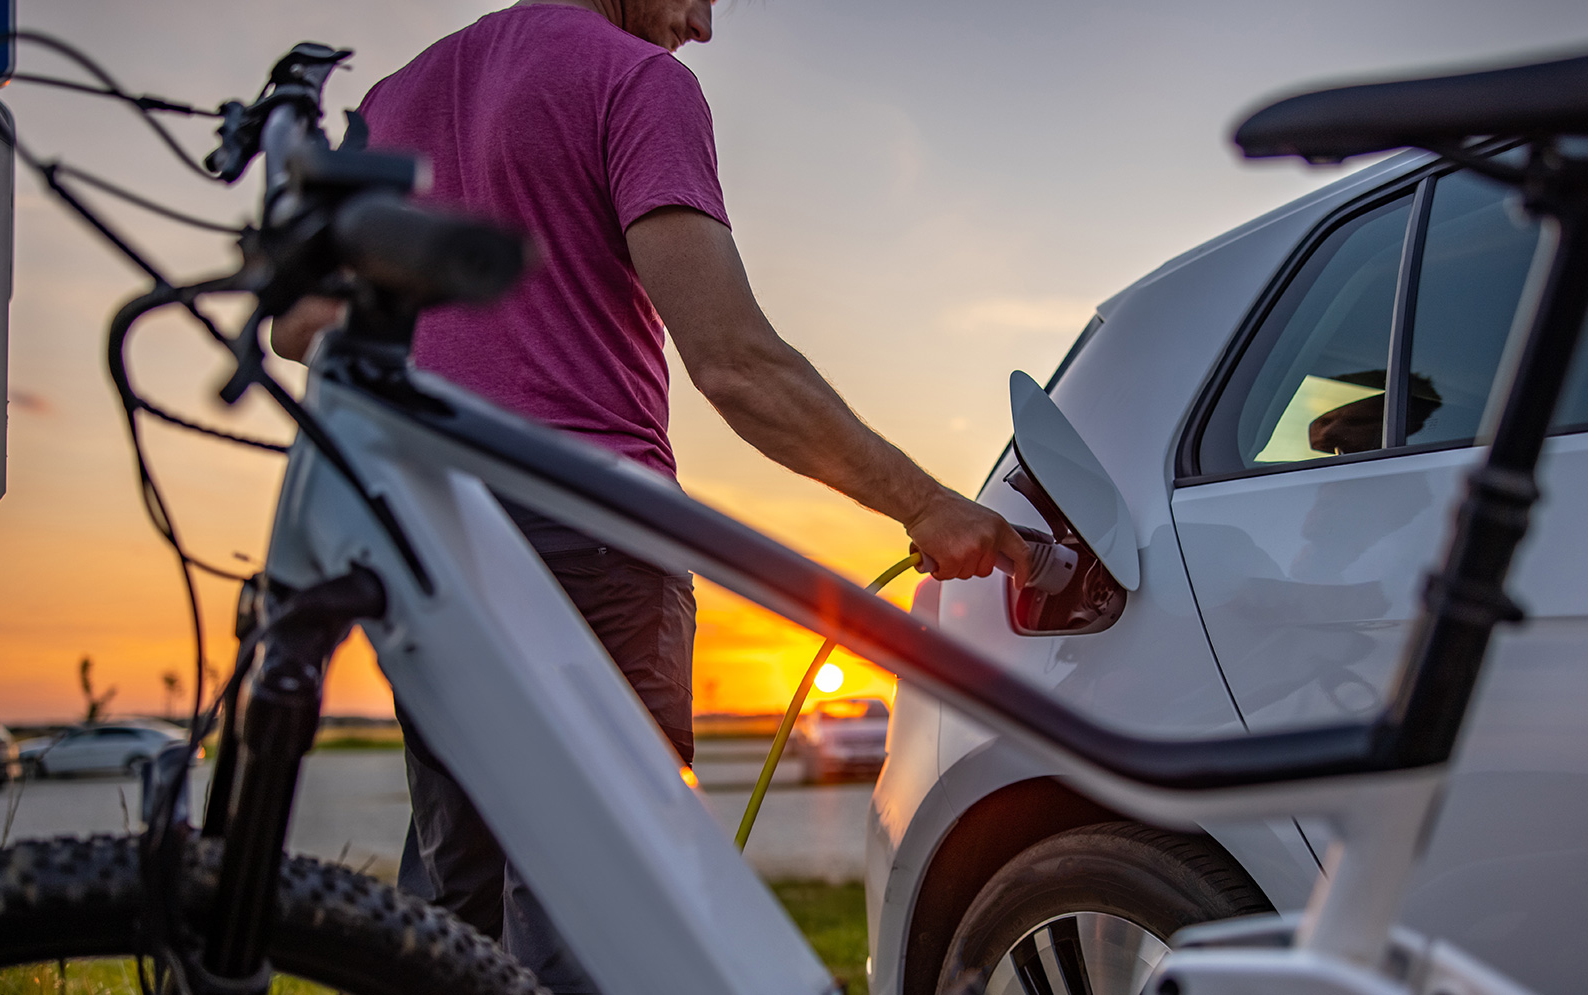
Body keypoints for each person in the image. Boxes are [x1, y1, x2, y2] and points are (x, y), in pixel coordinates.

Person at [270, 0, 1030, 990]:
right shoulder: (635, 80)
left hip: (426, 538)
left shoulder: (390, 97)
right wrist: (922, 500)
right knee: (596, 910)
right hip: (586, 532)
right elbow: (735, 363)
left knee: (451, 906)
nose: (703, 24)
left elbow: (297, 326)